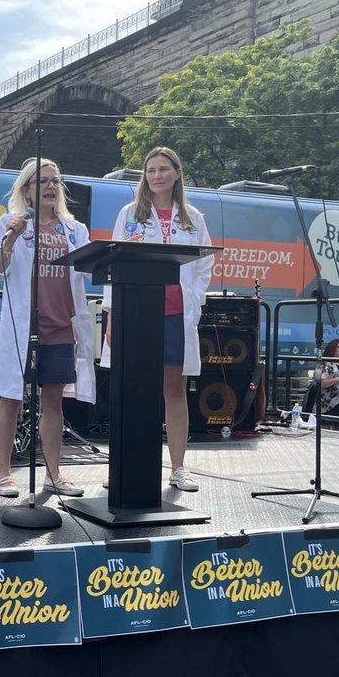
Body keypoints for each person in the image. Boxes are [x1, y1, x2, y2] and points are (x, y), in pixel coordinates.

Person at [101, 146, 214, 493]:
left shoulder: (193, 218)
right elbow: (113, 262)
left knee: (174, 389)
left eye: (164, 169)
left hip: (177, 314)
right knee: (134, 390)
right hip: (136, 312)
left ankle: (178, 468)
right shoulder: (130, 213)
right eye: (151, 170)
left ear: (177, 173)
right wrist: (111, 315)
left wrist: (193, 298)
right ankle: (125, 465)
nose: (157, 176)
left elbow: (205, 264)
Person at [0, 157, 96, 498]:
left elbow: (87, 272)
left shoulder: (75, 229)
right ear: (27, 190)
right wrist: (11, 240)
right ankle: (3, 473)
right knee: (10, 400)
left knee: (54, 403)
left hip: (61, 326)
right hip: (24, 328)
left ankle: (54, 474)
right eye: (43, 181)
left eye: (55, 181)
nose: (50, 187)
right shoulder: (11, 222)